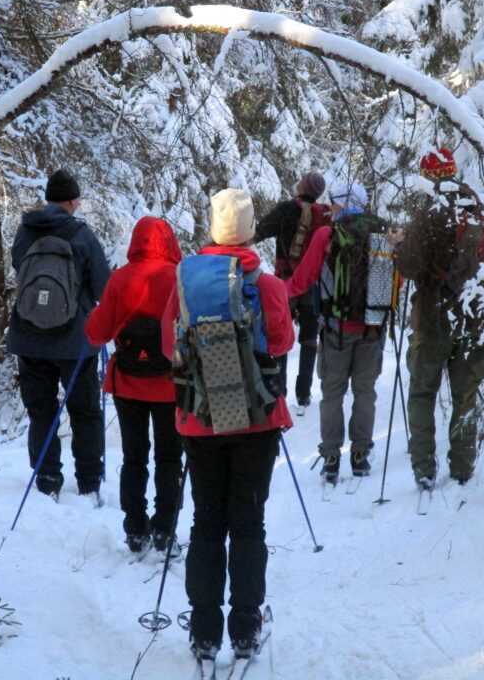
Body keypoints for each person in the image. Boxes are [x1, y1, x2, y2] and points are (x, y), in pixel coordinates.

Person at [162, 188, 295, 661]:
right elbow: (281, 342)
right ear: (250, 229)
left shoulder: (186, 280)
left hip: (200, 421)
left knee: (205, 523)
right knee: (248, 525)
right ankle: (244, 629)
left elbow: (167, 346)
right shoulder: (268, 283)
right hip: (257, 423)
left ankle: (203, 632)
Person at [7, 168, 110, 500]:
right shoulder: (82, 235)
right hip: (74, 342)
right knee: (85, 412)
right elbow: (103, 286)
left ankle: (47, 480)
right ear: (73, 201)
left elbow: (18, 267)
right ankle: (89, 484)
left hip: (29, 336)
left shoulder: (26, 231)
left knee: (41, 410)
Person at [395, 148, 484, 490]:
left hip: (434, 317)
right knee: (465, 396)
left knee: (422, 392)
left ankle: (424, 467)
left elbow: (409, 266)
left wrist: (399, 246)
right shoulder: (477, 209)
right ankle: (463, 467)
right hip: (476, 317)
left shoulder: (428, 213)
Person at [285, 180, 398, 484]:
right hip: (372, 327)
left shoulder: (327, 234)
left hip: (336, 328)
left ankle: (332, 455)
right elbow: (394, 282)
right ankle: (360, 453)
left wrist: (280, 294)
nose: (330, 207)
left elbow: (304, 277)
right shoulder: (381, 232)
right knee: (365, 392)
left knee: (332, 393)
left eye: (333, 202)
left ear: (341, 202)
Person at [84, 216, 184, 554]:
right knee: (170, 458)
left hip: (128, 384)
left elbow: (96, 333)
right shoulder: (179, 277)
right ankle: (165, 528)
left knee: (134, 457)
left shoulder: (119, 279)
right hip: (171, 383)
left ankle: (135, 528)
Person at [255, 171, 331, 409]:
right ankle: (304, 393)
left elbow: (260, 231)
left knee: (281, 335)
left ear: (303, 187)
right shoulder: (325, 216)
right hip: (312, 284)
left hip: (285, 285)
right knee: (309, 338)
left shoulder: (286, 209)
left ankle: (281, 390)